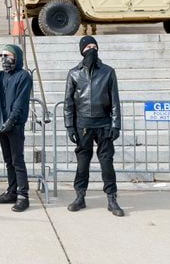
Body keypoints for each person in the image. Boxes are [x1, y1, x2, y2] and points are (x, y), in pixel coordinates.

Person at [64, 36, 124, 217]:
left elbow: (115, 101)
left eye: (94, 46)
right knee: (82, 163)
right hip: (83, 125)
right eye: (87, 46)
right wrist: (69, 126)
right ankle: (80, 196)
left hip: (104, 123)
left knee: (107, 163)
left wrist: (116, 125)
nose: (91, 49)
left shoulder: (108, 72)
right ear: (81, 50)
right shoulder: (74, 73)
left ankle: (112, 198)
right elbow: (68, 103)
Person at [0, 44, 32, 212]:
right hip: (1, 124)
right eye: (1, 56)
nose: (4, 59)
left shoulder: (24, 76)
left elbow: (20, 103)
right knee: (9, 161)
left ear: (16, 57)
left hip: (14, 125)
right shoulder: (0, 76)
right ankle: (12, 191)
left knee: (17, 160)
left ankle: (23, 196)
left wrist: (11, 121)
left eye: (7, 55)